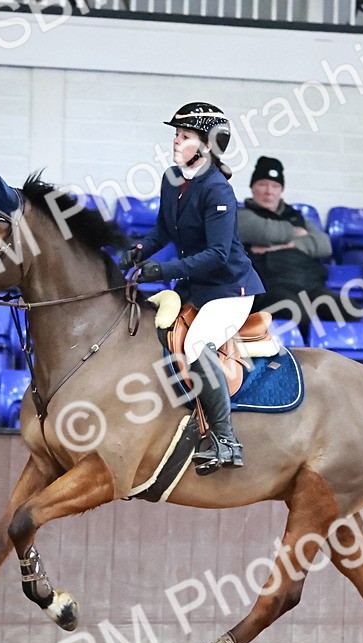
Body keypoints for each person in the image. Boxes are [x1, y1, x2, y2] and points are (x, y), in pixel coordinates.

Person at [122, 102, 265, 475]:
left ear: (205, 146)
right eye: (176, 134)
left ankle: (226, 438)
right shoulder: (173, 178)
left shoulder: (218, 191)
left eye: (183, 136)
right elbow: (163, 232)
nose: (175, 141)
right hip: (194, 286)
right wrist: (137, 252)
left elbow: (218, 255)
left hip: (228, 289)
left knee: (196, 344)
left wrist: (164, 268)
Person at [237, 156, 356, 342]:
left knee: (349, 308)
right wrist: (297, 234)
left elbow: (324, 245)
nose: (269, 191)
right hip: (272, 286)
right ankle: (303, 363)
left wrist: (286, 244)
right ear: (252, 187)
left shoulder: (296, 216)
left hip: (310, 285)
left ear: (281, 190)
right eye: (263, 184)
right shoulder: (241, 215)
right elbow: (265, 232)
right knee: (297, 311)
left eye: (275, 186)